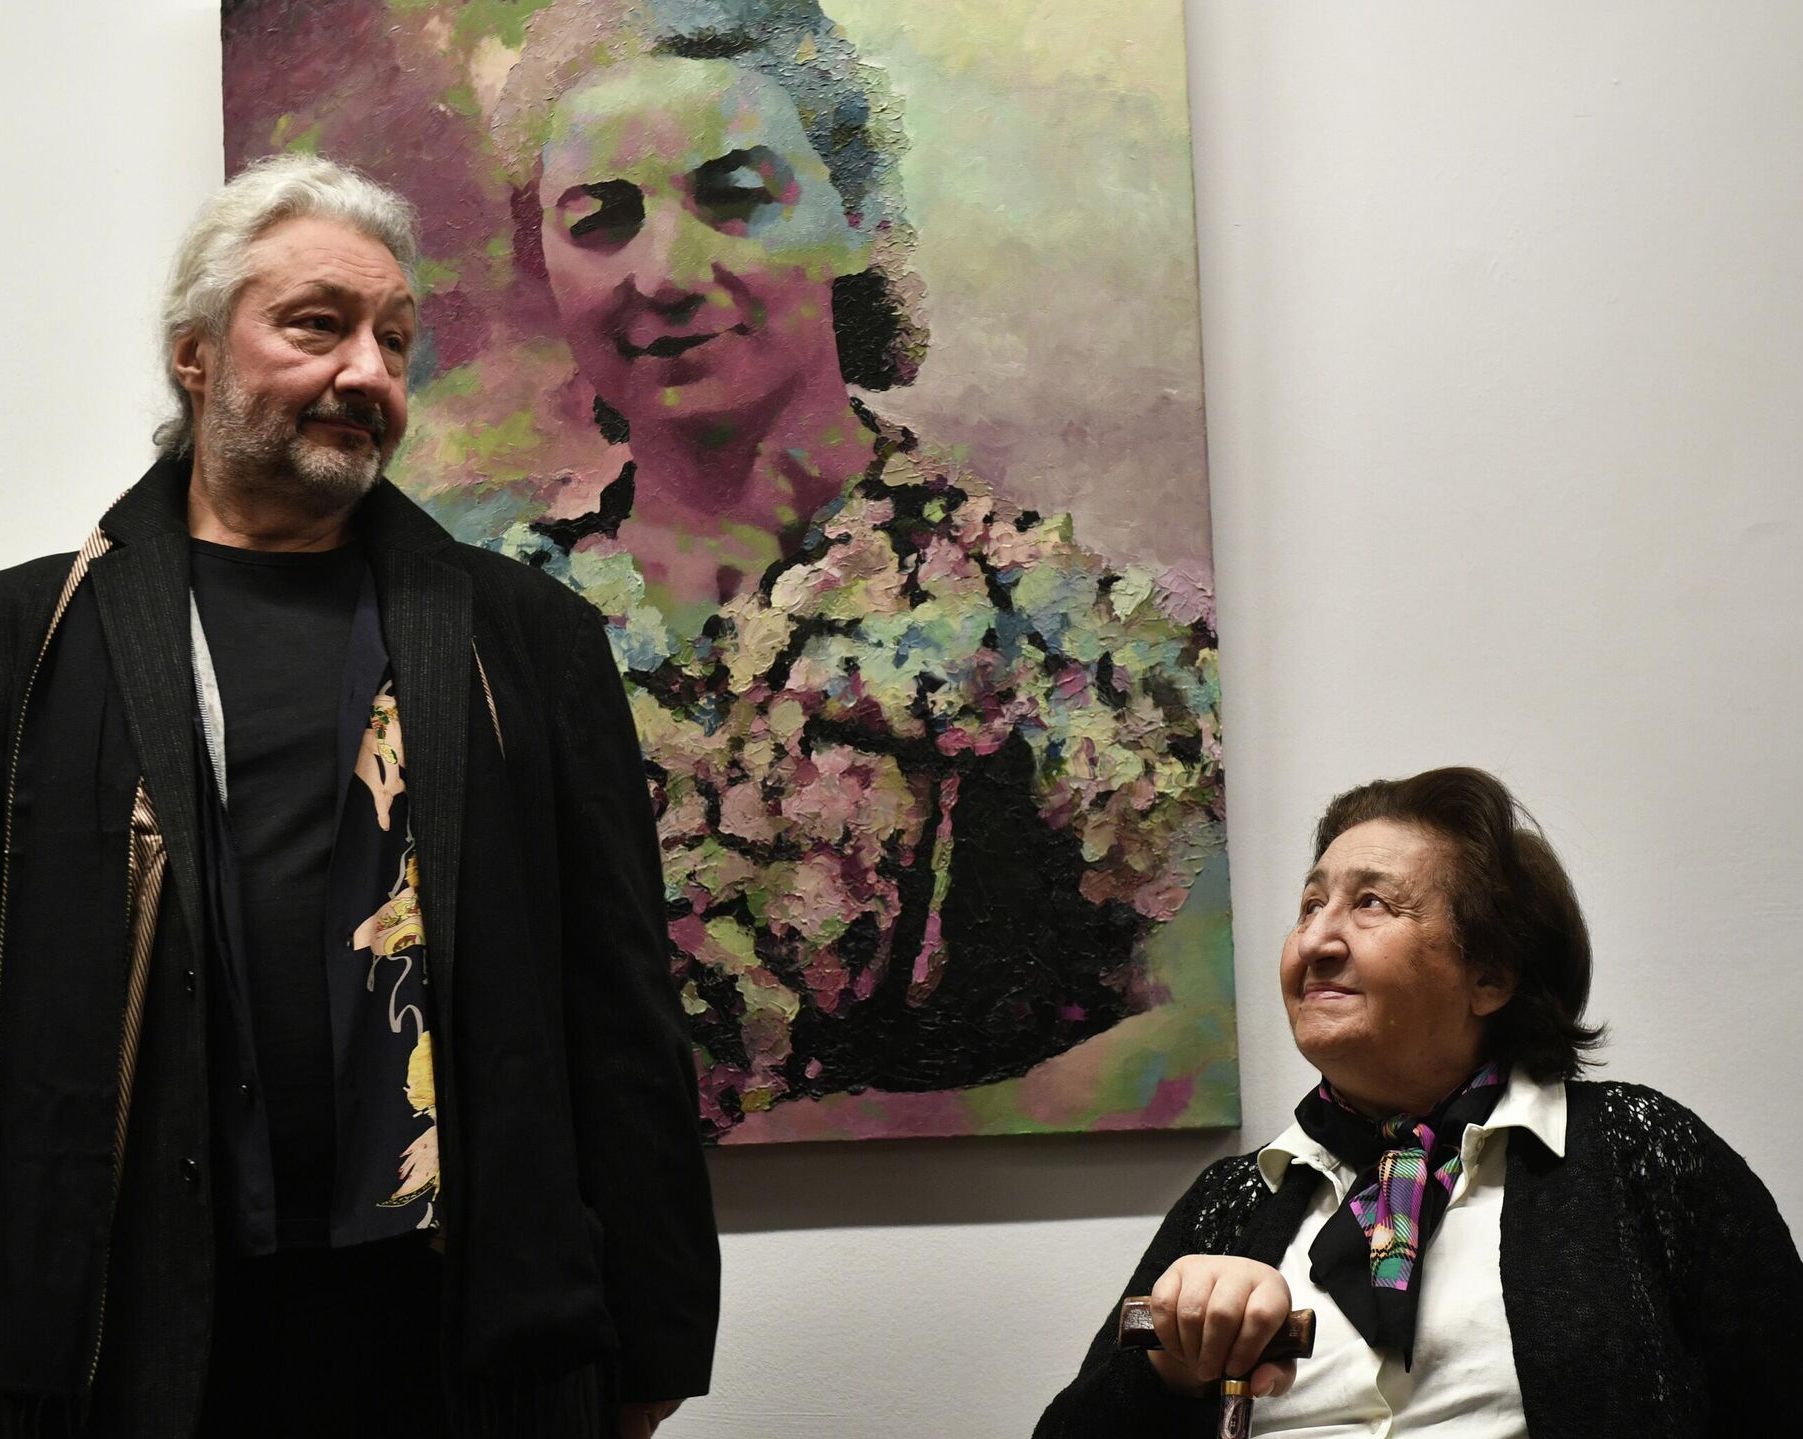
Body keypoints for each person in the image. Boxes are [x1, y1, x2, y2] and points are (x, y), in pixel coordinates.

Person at [0, 154, 718, 1439]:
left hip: (461, 1330)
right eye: (318, 326)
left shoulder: (523, 636)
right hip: (123, 1324)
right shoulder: (24, 636)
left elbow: (620, 1006)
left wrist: (656, 1330)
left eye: (395, 340)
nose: (368, 373)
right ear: (196, 355)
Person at [488, 0, 1227, 1134]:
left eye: (737, 197)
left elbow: (1198, 1022)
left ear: (859, 219)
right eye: (602, 219)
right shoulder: (485, 629)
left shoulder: (1067, 634)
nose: (666, 270)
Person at [1036, 766, 1803, 1436]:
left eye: (1371, 903)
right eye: (1310, 905)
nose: (1315, 941)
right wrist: (1170, 1369)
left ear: (1489, 975)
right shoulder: (1232, 1203)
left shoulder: (1639, 1155)